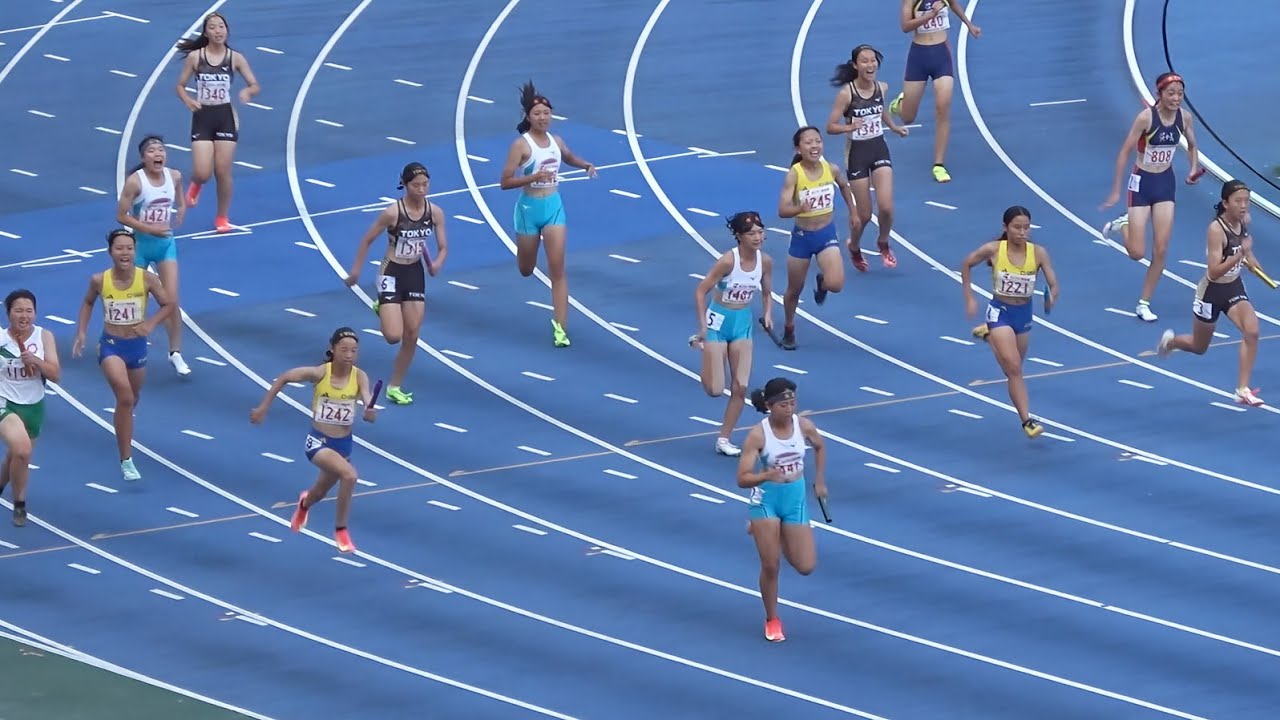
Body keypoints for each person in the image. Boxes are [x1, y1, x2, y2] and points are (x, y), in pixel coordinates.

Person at [250, 327, 377, 554]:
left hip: (343, 445)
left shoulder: (359, 376)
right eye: (344, 350)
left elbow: (368, 400)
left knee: (319, 493)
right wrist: (263, 407)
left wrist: (370, 410)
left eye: (354, 351)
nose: (349, 355)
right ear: (333, 349)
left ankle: (304, 504)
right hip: (318, 442)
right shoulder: (321, 373)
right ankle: (341, 530)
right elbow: (285, 377)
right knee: (350, 475)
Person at [498, 81, 597, 348]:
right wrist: (533, 176)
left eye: (546, 113)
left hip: (553, 208)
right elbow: (505, 182)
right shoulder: (521, 145)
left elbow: (568, 156)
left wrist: (585, 164)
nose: (543, 118)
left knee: (558, 270)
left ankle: (561, 328)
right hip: (529, 210)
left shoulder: (557, 141)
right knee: (526, 269)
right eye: (537, 114)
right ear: (528, 118)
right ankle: (526, 259)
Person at [72, 230, 175, 482]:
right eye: (119, 248)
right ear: (110, 252)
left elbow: (169, 304)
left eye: (129, 248)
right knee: (126, 396)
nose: (125, 253)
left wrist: (150, 325)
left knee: (131, 400)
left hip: (137, 346)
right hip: (111, 346)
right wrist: (82, 333)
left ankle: (122, 424)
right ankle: (126, 460)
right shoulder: (99, 280)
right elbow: (87, 303)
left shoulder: (147, 279)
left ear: (134, 251)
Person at [344, 162, 448, 406]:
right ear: (405, 185)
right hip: (391, 271)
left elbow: (443, 247)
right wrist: (356, 272)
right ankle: (381, 303)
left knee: (412, 335)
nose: (422, 189)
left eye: (425, 184)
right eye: (416, 185)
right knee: (393, 336)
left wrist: (437, 263)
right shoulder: (393, 212)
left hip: (414, 272)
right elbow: (367, 239)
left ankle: (395, 386)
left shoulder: (435, 213)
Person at [1101, 72, 1201, 322]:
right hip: (1142, 183)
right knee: (1136, 253)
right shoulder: (1146, 118)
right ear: (1159, 94)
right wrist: (1115, 189)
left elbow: (1192, 146)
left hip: (1165, 183)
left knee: (1161, 249)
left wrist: (1192, 169)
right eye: (1171, 94)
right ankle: (1124, 224)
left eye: (1180, 94)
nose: (1176, 98)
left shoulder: (1185, 118)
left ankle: (1144, 303)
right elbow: (1124, 153)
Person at [1157, 180, 1264, 406]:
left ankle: (1242, 390)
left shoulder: (1244, 221)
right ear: (1225, 203)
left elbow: (1247, 252)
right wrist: (1239, 256)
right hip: (1211, 292)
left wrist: (1255, 266)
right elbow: (1214, 272)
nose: (1244, 206)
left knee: (1252, 331)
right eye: (1238, 201)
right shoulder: (1216, 230)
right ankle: (1171, 343)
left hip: (1234, 287)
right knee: (1199, 347)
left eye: (1247, 201)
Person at [737, 376, 827, 643]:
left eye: (793, 403)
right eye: (783, 404)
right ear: (770, 406)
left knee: (806, 566)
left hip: (795, 497)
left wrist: (819, 481)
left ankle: (771, 530)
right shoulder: (758, 435)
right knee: (771, 565)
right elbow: (742, 478)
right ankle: (772, 619)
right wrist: (765, 476)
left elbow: (820, 447)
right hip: (767, 500)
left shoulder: (804, 426)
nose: (789, 409)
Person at [960, 206, 1058, 438]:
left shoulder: (1039, 253)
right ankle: (1027, 420)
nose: (1022, 232)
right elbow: (966, 264)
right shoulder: (994, 249)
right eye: (1016, 227)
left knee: (1013, 368)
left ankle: (989, 335)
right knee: (1014, 369)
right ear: (1005, 228)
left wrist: (1051, 299)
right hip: (1000, 311)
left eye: (1026, 227)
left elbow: (1054, 284)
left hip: (1023, 314)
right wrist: (970, 299)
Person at [692, 212, 774, 457]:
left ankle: (724, 439)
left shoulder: (765, 262)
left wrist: (768, 313)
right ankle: (704, 349)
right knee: (716, 389)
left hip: (742, 323)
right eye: (752, 233)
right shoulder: (728, 261)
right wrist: (703, 328)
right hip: (718, 321)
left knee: (740, 386)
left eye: (760, 232)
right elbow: (700, 292)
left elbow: (767, 292)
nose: (758, 237)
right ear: (739, 237)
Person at [174, 12, 261, 234]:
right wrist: (187, 100)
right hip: (202, 117)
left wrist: (248, 92)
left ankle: (222, 216)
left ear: (227, 30)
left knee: (223, 171)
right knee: (203, 172)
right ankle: (196, 184)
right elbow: (180, 86)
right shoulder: (196, 57)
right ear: (206, 32)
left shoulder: (235, 58)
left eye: (221, 26)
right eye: (212, 27)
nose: (218, 31)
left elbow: (254, 84)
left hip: (225, 117)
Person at [826, 45, 908, 273]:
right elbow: (830, 126)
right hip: (857, 153)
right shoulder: (847, 94)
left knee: (887, 208)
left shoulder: (882, 88)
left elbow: (881, 109)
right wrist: (850, 126)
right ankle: (854, 246)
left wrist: (894, 127)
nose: (870, 65)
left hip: (879, 148)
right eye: (865, 61)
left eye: (873, 61)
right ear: (855, 65)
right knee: (863, 215)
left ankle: (883, 242)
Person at [118, 135, 191, 377]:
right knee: (135, 301)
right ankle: (126, 347)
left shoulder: (175, 176)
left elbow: (180, 193)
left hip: (165, 245)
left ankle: (176, 353)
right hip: (141, 246)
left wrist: (181, 206)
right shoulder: (135, 183)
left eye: (161, 149)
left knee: (172, 300)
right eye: (152, 150)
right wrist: (150, 229)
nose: (157, 153)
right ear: (143, 158)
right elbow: (121, 216)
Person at [776, 127, 853, 350]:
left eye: (818, 141)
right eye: (808, 142)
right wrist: (799, 207)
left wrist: (853, 212)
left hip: (826, 234)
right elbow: (782, 209)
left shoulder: (831, 168)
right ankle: (789, 328)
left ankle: (822, 282)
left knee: (836, 284)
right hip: (802, 237)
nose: (814, 146)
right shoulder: (795, 173)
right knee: (794, 290)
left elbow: (844, 185)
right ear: (798, 148)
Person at [889, 0, 981, 184]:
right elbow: (905, 26)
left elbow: (954, 5)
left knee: (943, 108)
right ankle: (900, 103)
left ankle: (938, 165)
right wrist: (931, 14)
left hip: (942, 56)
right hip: (919, 56)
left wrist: (969, 25)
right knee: (908, 117)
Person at [0, 290, 60, 527]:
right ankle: (20, 503)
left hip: (34, 406)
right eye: (18, 311)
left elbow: (55, 374)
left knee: (16, 456)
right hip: (5, 402)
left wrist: (36, 362)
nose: (24, 316)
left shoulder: (44, 337)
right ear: (8, 314)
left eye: (28, 311)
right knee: (22, 450)